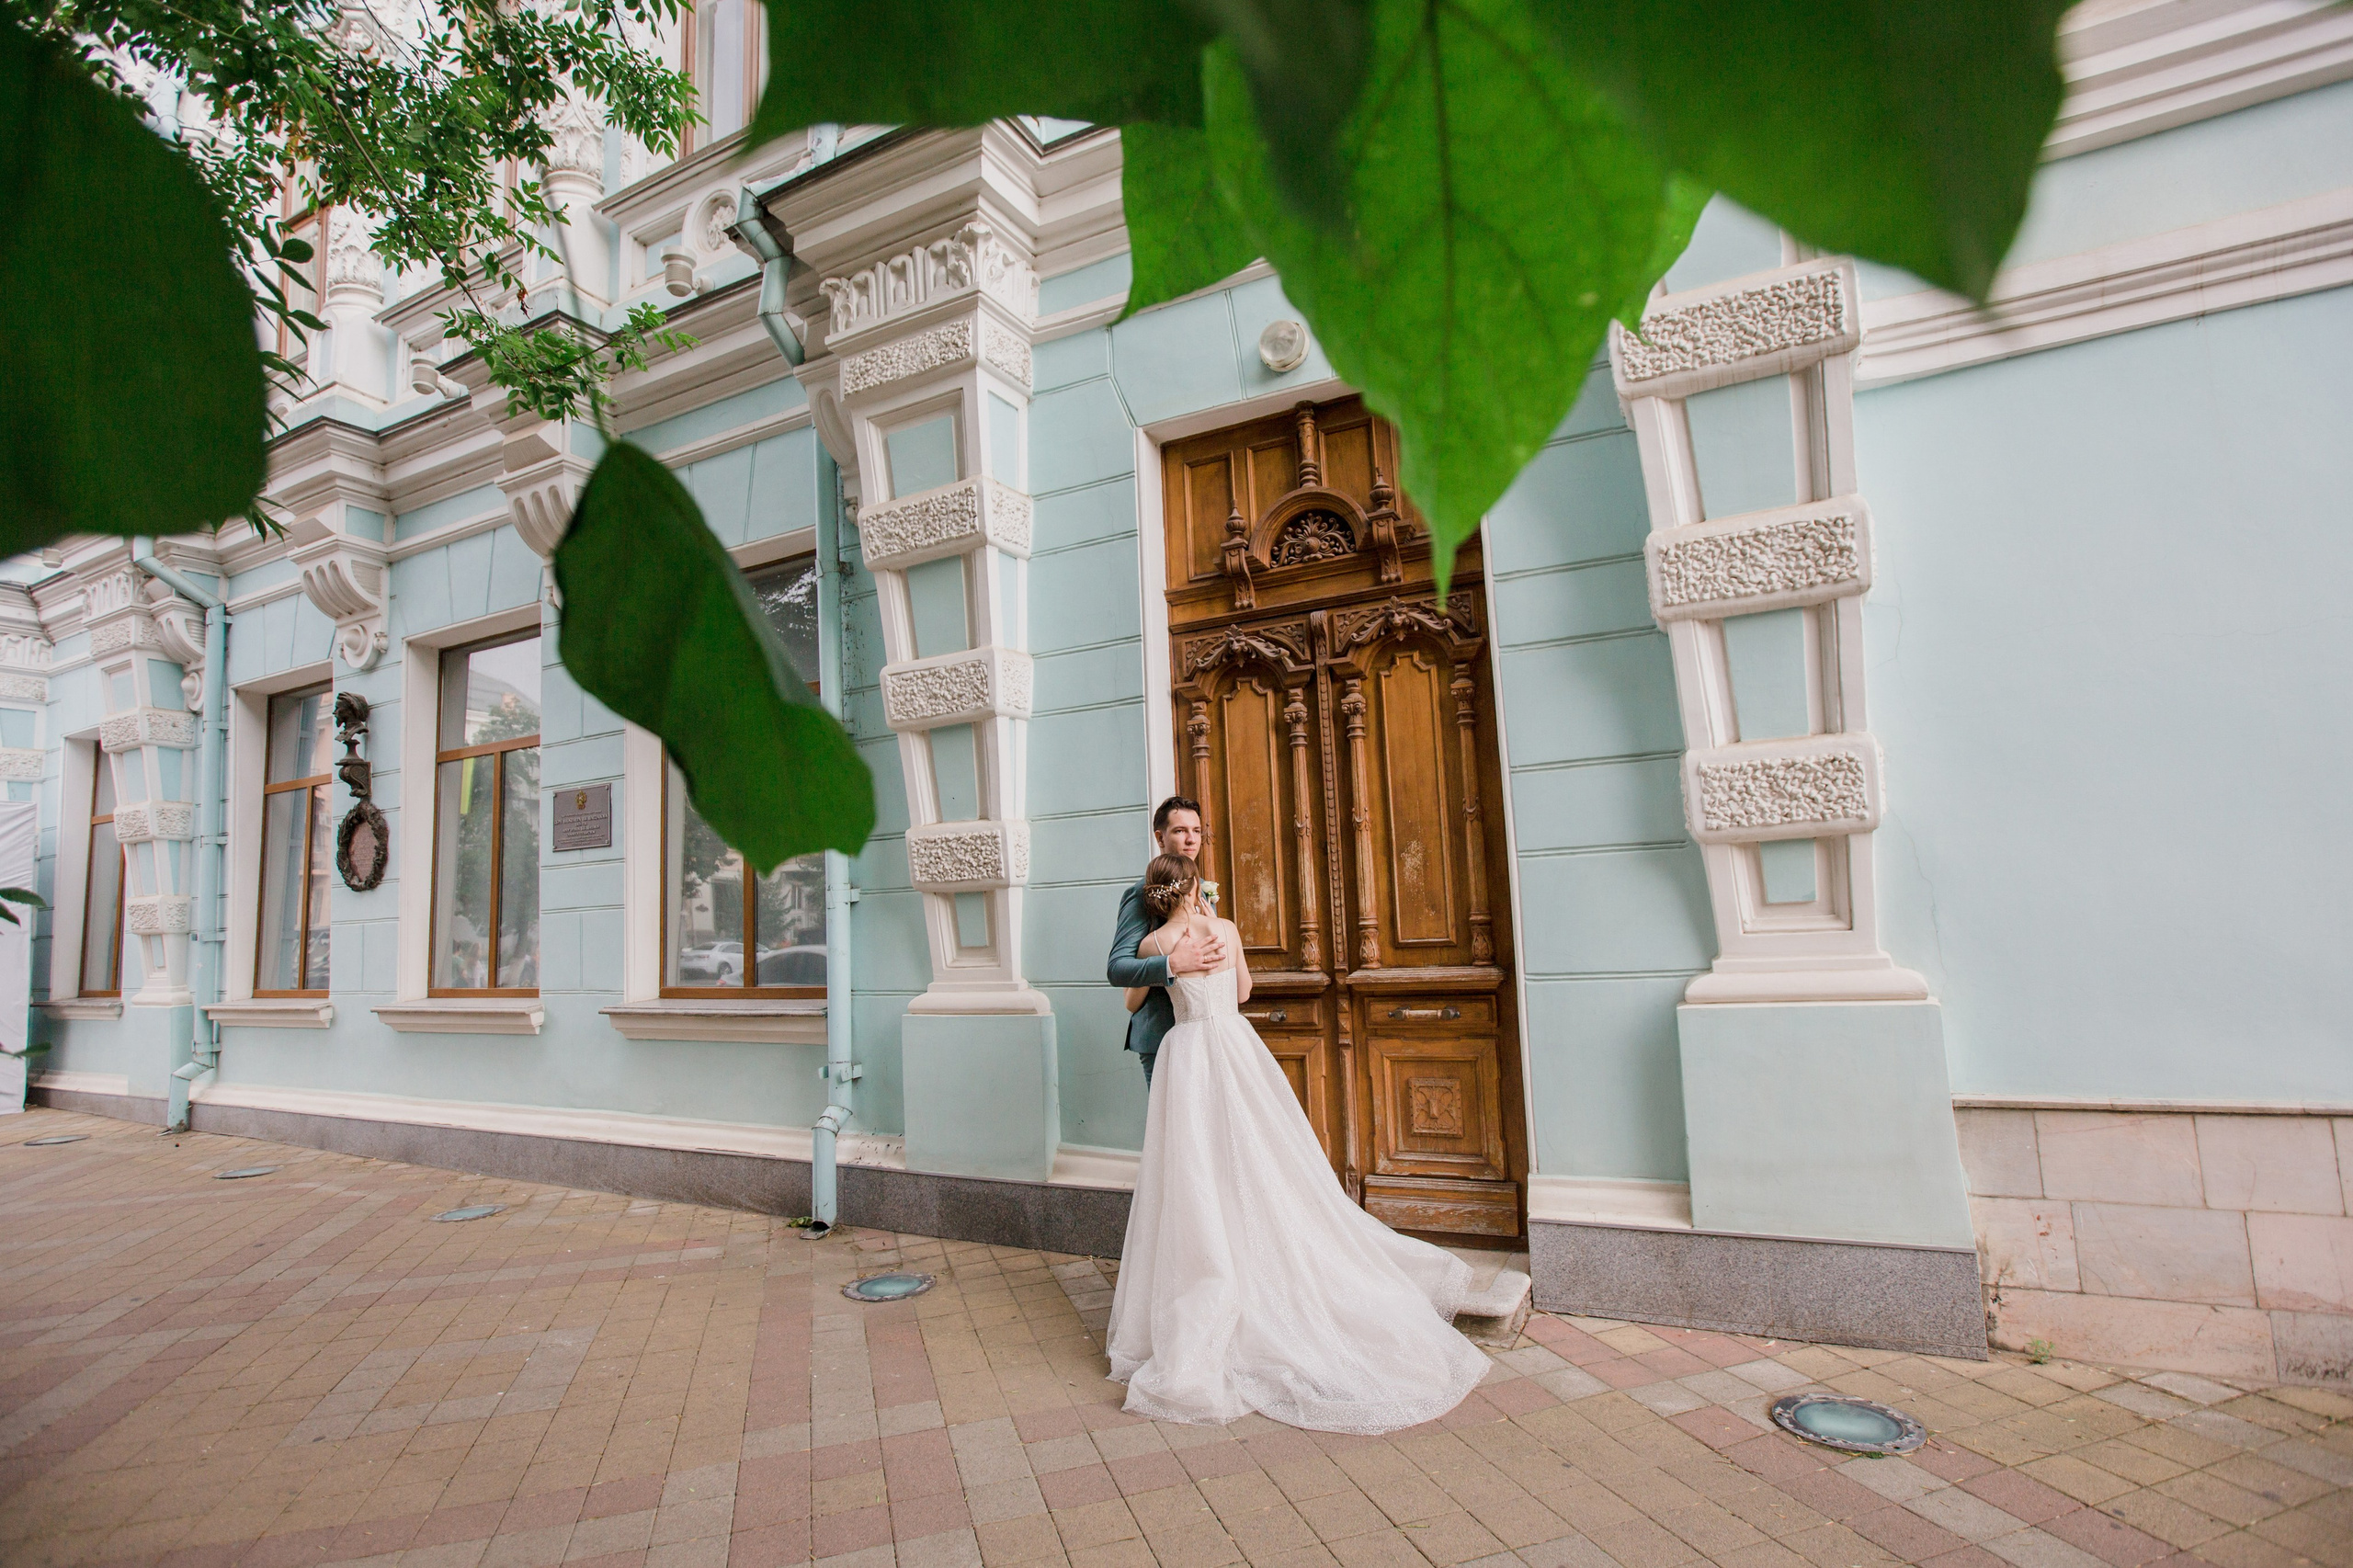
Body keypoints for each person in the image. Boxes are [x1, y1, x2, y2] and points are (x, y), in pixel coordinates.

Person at [1106, 852, 1489, 1433]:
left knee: (1196, 1166)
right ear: (1194, 887)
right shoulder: (1226, 928)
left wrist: (1168, 965)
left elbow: (1132, 995)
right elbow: (1241, 992)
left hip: (1186, 1054)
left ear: (1155, 896)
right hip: (1235, 1046)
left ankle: (1213, 1264)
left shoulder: (1154, 944)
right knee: (1261, 1156)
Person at [1105, 797, 1225, 1086]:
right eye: (1180, 831)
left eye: (1196, 831)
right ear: (1160, 837)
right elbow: (1117, 968)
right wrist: (1171, 963)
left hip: (1206, 1032)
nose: (1191, 840)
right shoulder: (1140, 894)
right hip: (1161, 1034)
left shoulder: (1203, 891)